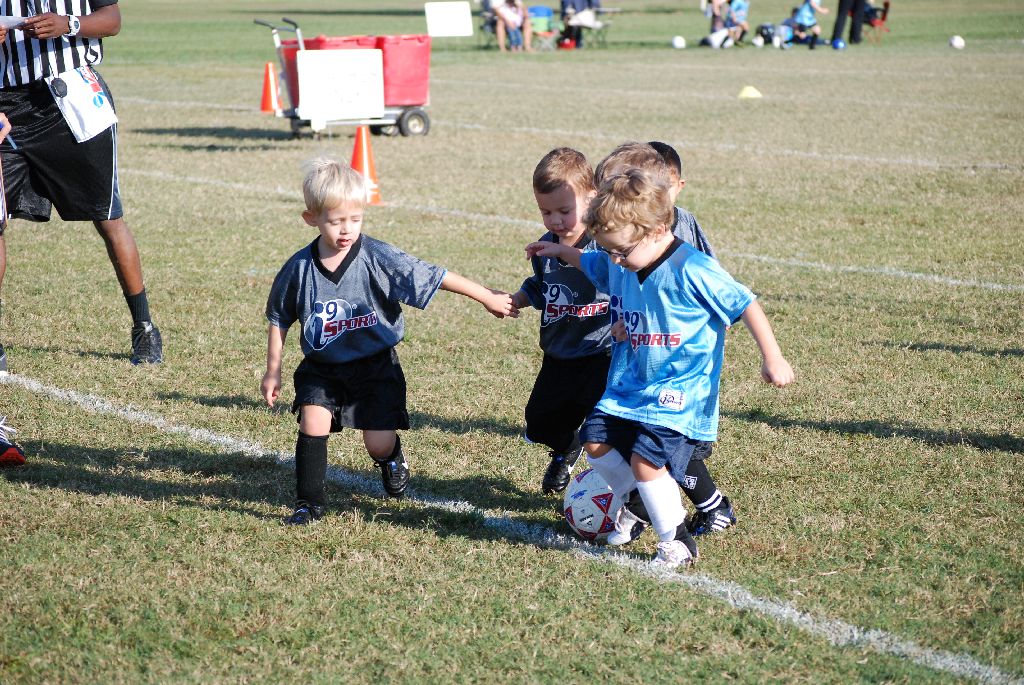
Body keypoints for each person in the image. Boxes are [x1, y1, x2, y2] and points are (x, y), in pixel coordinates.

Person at [526, 168, 794, 569]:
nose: (615, 261)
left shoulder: (691, 268)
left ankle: (677, 542)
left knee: (645, 461)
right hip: (632, 383)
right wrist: (561, 253)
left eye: (620, 252)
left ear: (655, 230)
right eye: (610, 252)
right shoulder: (623, 261)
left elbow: (745, 303)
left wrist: (772, 357)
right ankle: (639, 502)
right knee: (595, 441)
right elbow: (592, 263)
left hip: (679, 388)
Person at [263, 157, 518, 525]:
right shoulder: (299, 269)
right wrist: (273, 370)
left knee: (377, 443)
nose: (347, 229)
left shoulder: (376, 256)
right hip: (322, 368)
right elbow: (279, 318)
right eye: (336, 221)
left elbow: (431, 275)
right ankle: (309, 505)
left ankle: (391, 457)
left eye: (355, 219)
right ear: (311, 219)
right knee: (312, 423)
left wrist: (485, 296)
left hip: (375, 366)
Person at [0, 0, 162, 371]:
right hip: (5, 104)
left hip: (70, 95)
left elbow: (112, 20)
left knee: (107, 216)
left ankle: (144, 327)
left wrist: (67, 24)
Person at [594, 141, 738, 539]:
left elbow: (717, 290)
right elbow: (617, 282)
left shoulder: (678, 239)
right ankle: (645, 504)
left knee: (666, 454)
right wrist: (624, 321)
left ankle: (710, 509)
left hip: (678, 374)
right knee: (627, 445)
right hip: (638, 368)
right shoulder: (617, 241)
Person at [510, 148, 606, 494]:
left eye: (565, 211)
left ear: (591, 198)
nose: (555, 221)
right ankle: (566, 447)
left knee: (602, 431)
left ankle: (621, 490)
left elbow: (614, 277)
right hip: (559, 353)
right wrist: (519, 298)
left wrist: (569, 253)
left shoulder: (604, 243)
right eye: (546, 212)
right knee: (539, 423)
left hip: (602, 353)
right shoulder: (546, 246)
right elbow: (541, 285)